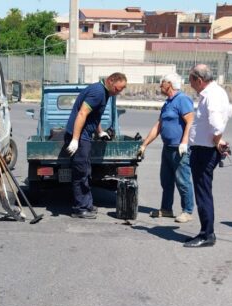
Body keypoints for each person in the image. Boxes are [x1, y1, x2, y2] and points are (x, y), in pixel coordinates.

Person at [64, 72, 128, 219]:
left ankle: (86, 204)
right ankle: (80, 208)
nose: (119, 92)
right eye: (118, 89)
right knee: (80, 173)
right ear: (111, 81)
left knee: (86, 171)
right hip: (80, 137)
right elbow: (82, 114)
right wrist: (75, 139)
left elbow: (93, 115)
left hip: (84, 136)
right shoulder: (98, 92)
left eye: (121, 90)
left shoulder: (104, 93)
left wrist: (100, 132)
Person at [183, 64, 232, 248]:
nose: (190, 84)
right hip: (205, 148)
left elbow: (217, 125)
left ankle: (207, 234)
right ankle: (206, 231)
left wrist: (217, 139)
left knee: (203, 193)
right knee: (203, 192)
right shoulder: (216, 93)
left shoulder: (211, 95)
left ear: (199, 80)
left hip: (205, 151)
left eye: (191, 80)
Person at [138, 73, 195, 223]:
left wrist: (184, 142)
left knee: (182, 181)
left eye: (162, 82)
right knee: (166, 180)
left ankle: (187, 211)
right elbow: (159, 125)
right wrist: (144, 145)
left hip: (179, 148)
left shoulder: (182, 99)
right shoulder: (168, 103)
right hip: (167, 148)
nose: (160, 85)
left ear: (169, 84)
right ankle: (166, 209)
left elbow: (190, 121)